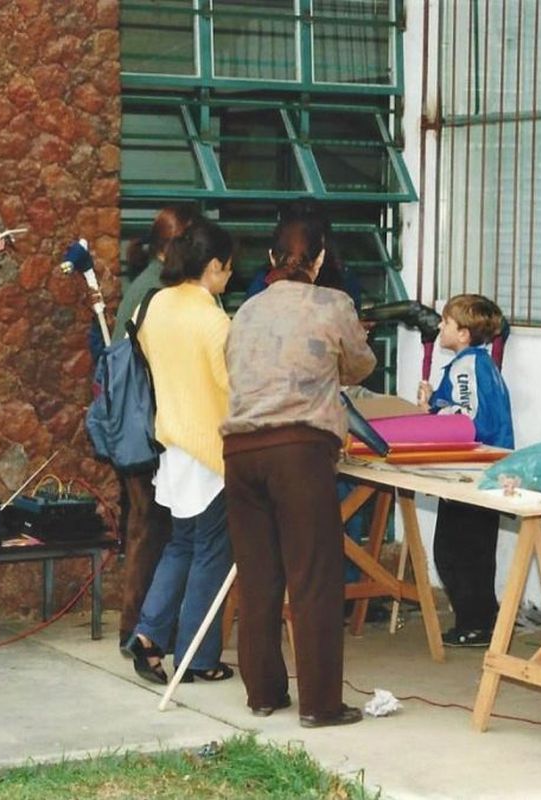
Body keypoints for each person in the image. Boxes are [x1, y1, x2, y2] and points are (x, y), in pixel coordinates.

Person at [221, 215, 377, 728]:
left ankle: (263, 693)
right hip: (299, 451)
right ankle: (321, 705)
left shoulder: (245, 310)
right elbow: (360, 366)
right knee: (313, 578)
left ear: (270, 258)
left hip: (239, 453)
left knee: (258, 577)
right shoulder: (334, 304)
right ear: (320, 259)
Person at [121, 218, 235, 685]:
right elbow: (231, 388)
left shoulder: (154, 305)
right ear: (214, 266)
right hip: (211, 450)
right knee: (211, 552)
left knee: (180, 545)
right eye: (229, 268)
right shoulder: (214, 321)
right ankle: (198, 657)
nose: (230, 276)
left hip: (171, 445)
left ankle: (148, 636)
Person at [111, 205, 198, 651]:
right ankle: (141, 630)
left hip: (140, 426)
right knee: (153, 531)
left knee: (148, 528)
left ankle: (140, 627)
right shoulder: (158, 293)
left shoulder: (146, 286)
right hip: (151, 429)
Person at [416, 294, 513, 647]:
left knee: (454, 551)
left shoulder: (466, 366)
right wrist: (433, 400)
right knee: (477, 551)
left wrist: (432, 413)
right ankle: (482, 620)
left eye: (446, 322)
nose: (440, 327)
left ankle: (475, 623)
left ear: (464, 334)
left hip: (471, 471)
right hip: (485, 469)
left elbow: (470, 420)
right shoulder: (477, 364)